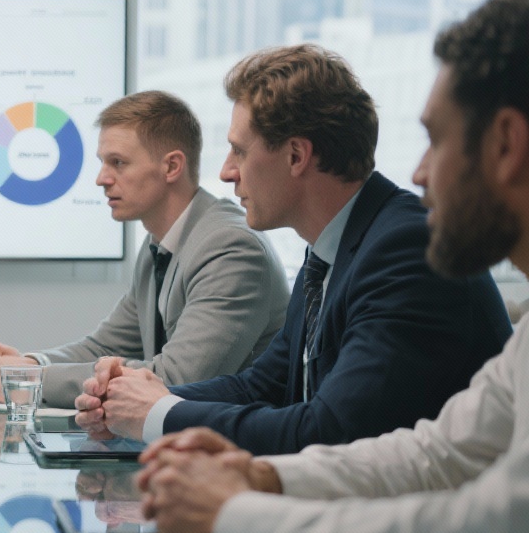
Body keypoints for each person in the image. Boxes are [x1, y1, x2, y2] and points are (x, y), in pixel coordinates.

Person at [142, 0, 529, 533]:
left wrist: (238, 513)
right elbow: (435, 454)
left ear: (505, 145)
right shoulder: (337, 256)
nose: (416, 172)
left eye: (437, 140)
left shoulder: (401, 244)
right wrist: (259, 476)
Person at [77, 44, 511, 455]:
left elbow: (330, 430)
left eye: (239, 151)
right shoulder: (330, 249)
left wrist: (157, 413)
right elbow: (263, 385)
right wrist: (136, 396)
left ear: (296, 156)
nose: (227, 172)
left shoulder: (403, 248)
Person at [0, 91, 288, 408]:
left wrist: (28, 379)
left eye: (118, 163)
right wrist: (28, 362)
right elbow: (105, 345)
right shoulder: (158, 244)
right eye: (103, 163)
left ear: (172, 167)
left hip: (238, 454)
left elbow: (176, 379)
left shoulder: (230, 247)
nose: (102, 179)